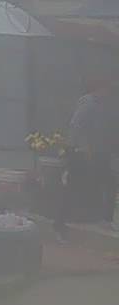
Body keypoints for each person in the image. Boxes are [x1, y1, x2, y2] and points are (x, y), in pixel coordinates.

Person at [56, 76, 115, 235]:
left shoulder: (101, 104)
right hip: (82, 152)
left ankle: (100, 217)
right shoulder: (88, 102)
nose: (109, 93)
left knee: (105, 182)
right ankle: (61, 222)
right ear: (99, 88)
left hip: (97, 152)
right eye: (107, 89)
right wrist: (83, 147)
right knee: (75, 185)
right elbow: (76, 125)